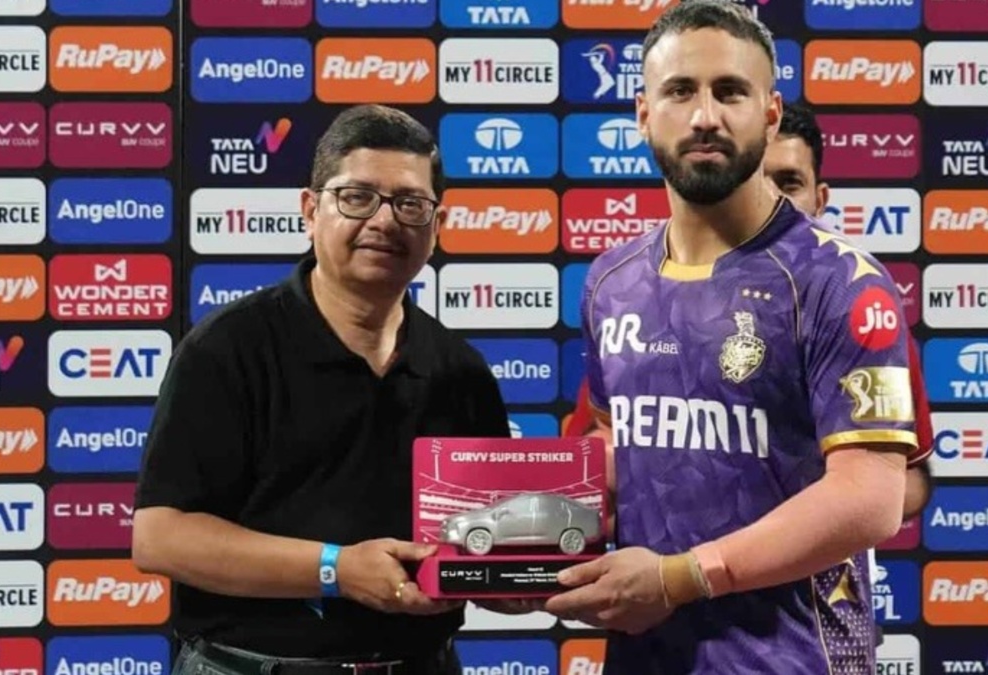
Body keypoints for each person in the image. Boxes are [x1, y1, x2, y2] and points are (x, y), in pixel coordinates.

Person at [543, 2, 921, 673]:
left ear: (770, 114)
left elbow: (871, 497)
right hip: (646, 658)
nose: (704, 116)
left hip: (795, 659)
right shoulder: (610, 281)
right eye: (679, 91)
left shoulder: (842, 281)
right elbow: (614, 440)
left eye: (730, 91)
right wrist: (530, 549)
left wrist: (680, 578)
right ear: (643, 113)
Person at [132, 104, 517, 675]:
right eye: (357, 197)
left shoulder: (462, 371)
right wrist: (337, 569)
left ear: (437, 227)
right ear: (310, 211)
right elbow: (160, 538)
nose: (385, 221)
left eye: (411, 204)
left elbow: (484, 548)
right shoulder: (228, 349)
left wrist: (521, 582)